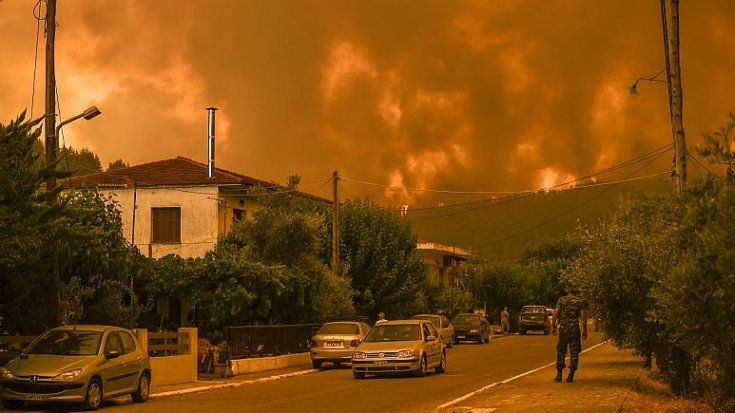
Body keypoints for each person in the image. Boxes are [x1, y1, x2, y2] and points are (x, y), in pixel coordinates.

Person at [551, 286, 587, 383]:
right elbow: (583, 318)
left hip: (564, 329)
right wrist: (585, 331)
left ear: (567, 291)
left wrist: (553, 327)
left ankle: (559, 375)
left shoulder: (561, 300)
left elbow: (555, 314)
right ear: (575, 292)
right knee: (574, 352)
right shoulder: (579, 301)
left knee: (561, 351)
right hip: (574, 329)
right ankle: (571, 375)